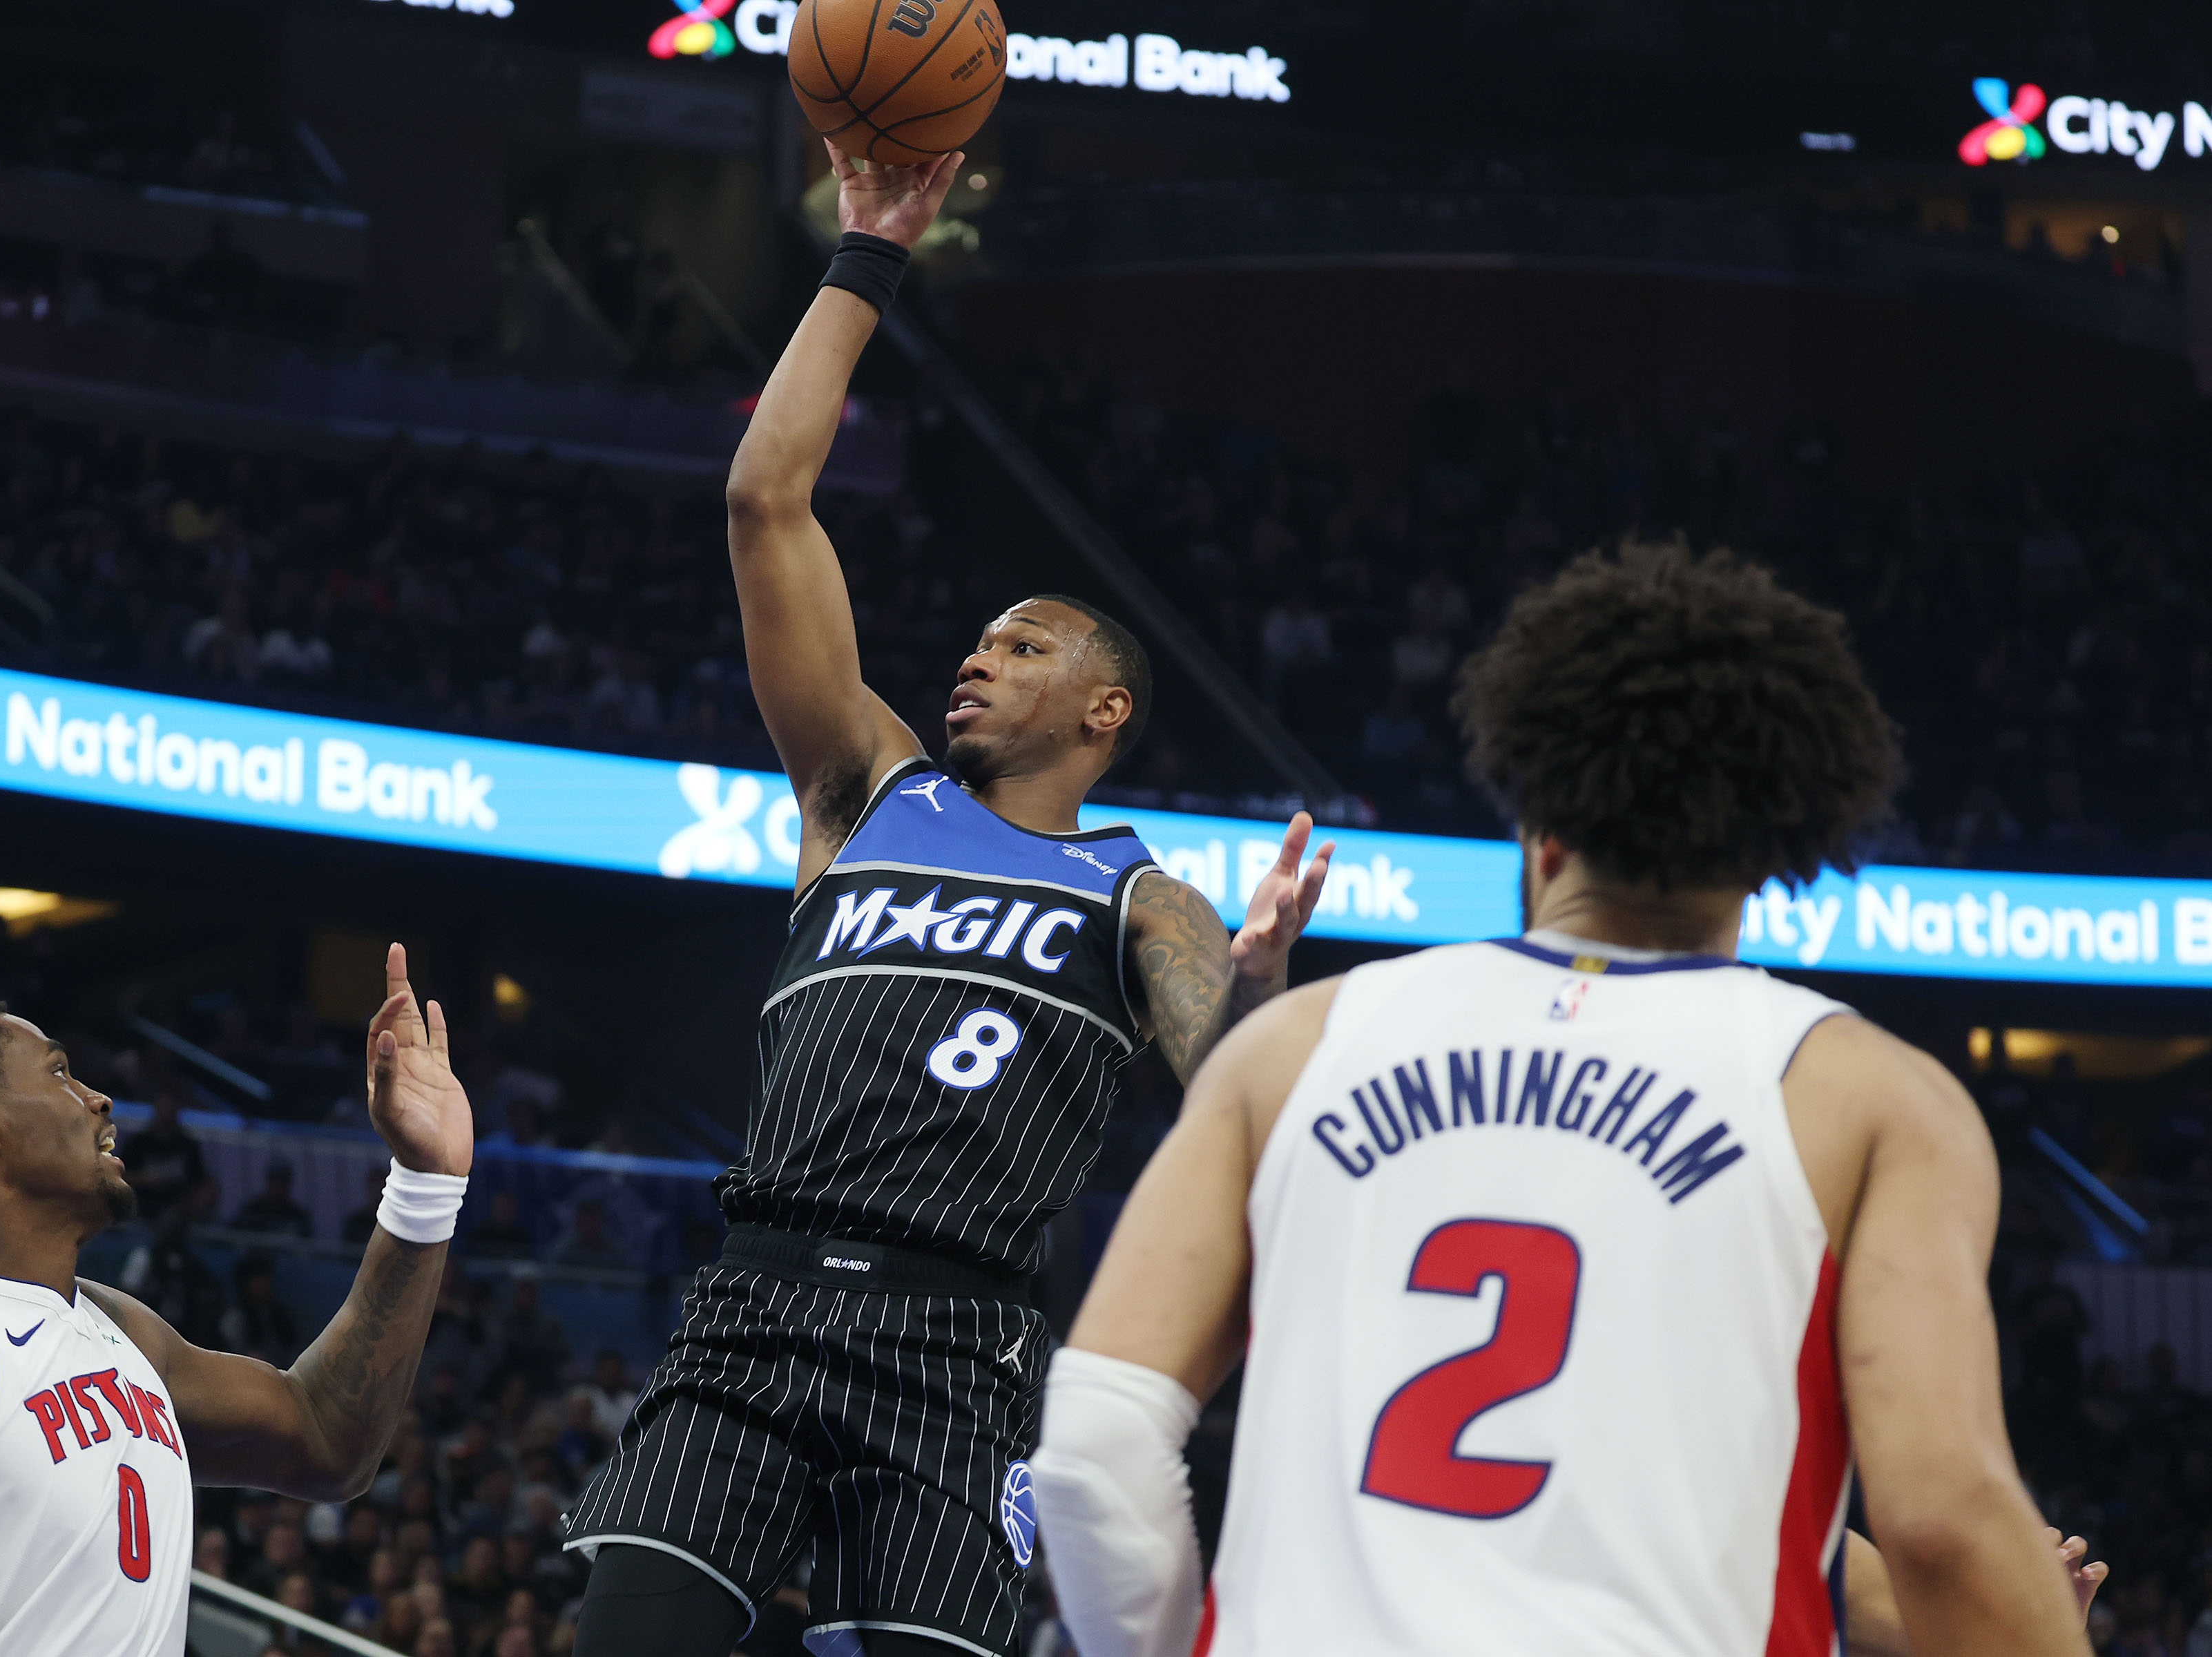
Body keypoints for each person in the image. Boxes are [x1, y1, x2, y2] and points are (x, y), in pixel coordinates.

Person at [1030, 545, 2105, 1656]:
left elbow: (1096, 1444)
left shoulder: (1293, 1044)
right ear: (1771, 849)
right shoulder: (1872, 1097)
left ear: (1540, 822)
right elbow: (1940, 1527)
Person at [563, 142, 1335, 1657]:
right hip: (755, 1300)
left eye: (1025, 645)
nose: (977, 655)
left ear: (1106, 709)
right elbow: (764, 499)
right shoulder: (867, 788)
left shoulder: (1142, 896)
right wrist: (867, 257)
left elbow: (1239, 1100)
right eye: (980, 638)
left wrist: (1257, 983)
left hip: (960, 1340)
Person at [0, 944, 477, 1657]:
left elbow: (327, 1440)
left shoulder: (122, 1329)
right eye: (59, 1073)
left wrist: (425, 1184)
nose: (97, 1098)